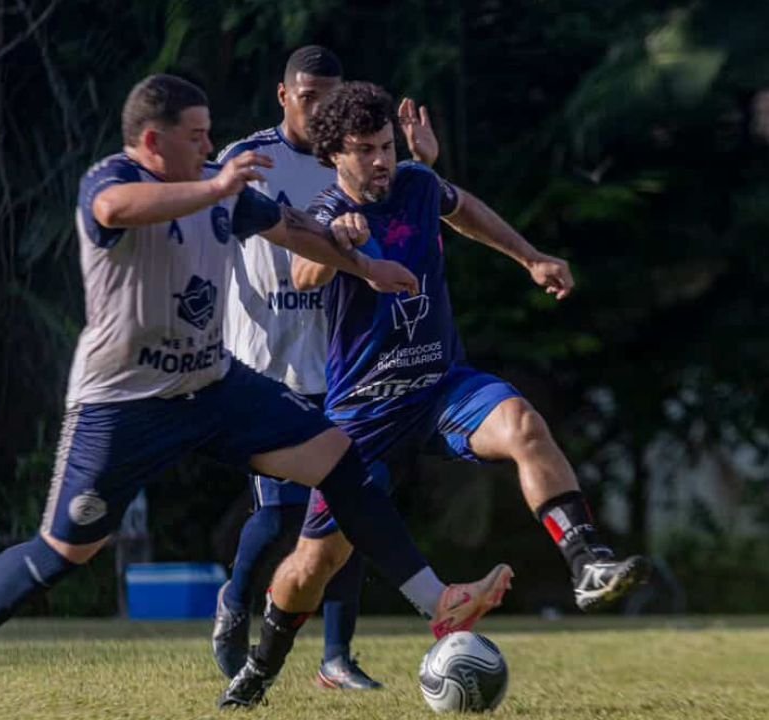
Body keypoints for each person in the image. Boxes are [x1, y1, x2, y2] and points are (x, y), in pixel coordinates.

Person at [0, 74, 512, 713]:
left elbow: (291, 231)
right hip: (123, 403)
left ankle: (438, 601)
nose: (212, 147)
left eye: (211, 136)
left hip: (212, 383)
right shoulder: (113, 178)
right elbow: (112, 212)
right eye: (197, 137)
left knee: (338, 457)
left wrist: (366, 266)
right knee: (69, 549)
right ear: (153, 141)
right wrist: (214, 187)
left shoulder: (223, 188)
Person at [217, 81, 651, 708]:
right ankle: (258, 671)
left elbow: (465, 210)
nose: (380, 161)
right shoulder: (322, 211)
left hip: (442, 386)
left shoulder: (418, 185)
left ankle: (586, 563)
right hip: (365, 413)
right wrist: (339, 243)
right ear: (335, 154)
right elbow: (303, 271)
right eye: (364, 150)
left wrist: (529, 258)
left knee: (524, 425)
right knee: (313, 567)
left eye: (387, 147)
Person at [214, 45, 440, 690]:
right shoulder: (249, 159)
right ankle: (234, 601)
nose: (318, 110)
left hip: (340, 358)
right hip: (266, 360)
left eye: (327, 98)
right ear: (283, 95)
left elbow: (410, 209)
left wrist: (422, 164)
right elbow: (221, 238)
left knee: (347, 502)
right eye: (307, 97)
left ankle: (336, 658)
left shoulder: (352, 156)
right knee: (284, 514)